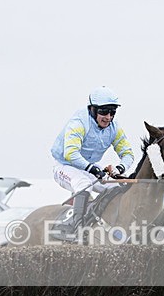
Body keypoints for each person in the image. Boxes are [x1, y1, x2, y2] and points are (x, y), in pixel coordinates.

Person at [50, 86, 135, 239]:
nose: (108, 117)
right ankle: (76, 229)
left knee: (116, 187)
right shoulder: (79, 123)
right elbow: (71, 154)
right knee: (82, 184)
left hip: (88, 169)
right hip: (65, 166)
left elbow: (128, 154)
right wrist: (93, 169)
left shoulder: (114, 128)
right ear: (92, 109)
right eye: (103, 112)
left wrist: (120, 168)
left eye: (112, 112)